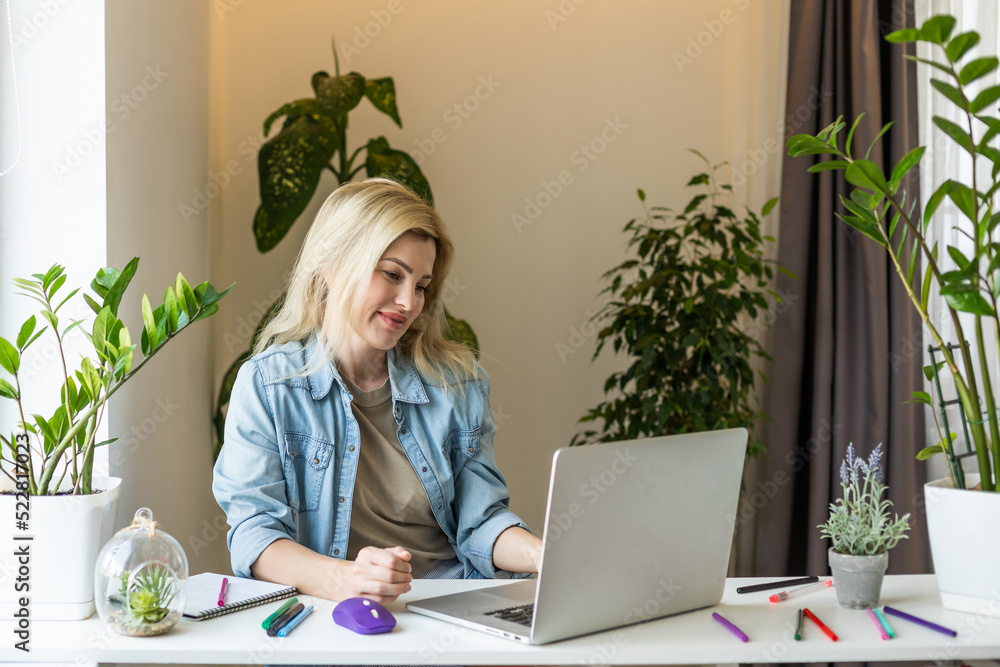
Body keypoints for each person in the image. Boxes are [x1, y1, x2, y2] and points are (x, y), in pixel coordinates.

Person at [213, 178, 541, 603]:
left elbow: (481, 522)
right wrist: (347, 580)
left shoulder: (456, 383)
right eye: (392, 274)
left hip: (450, 598)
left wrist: (543, 554)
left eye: (421, 286)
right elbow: (255, 536)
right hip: (336, 611)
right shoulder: (268, 386)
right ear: (332, 266)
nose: (409, 302)